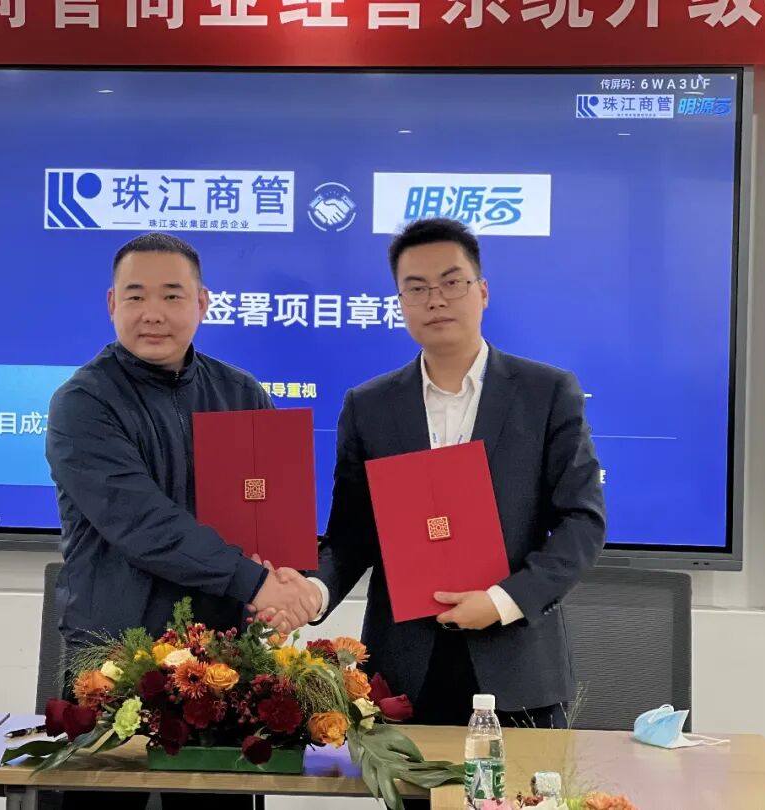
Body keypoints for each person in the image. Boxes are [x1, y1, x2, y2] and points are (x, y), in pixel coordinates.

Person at [269, 217, 605, 733]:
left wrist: (502, 601)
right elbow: (353, 535)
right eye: (417, 288)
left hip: (517, 666)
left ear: (482, 291)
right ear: (400, 302)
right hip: (405, 672)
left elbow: (582, 522)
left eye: (452, 282)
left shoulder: (546, 393)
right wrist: (313, 593)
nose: (436, 300)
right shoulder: (369, 406)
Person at [44, 232, 320, 810]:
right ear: (111, 303)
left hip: (219, 667)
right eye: (136, 295)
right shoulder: (84, 403)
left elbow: (271, 515)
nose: (153, 313)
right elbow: (145, 525)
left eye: (172, 296)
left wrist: (287, 581)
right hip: (116, 662)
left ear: (202, 303)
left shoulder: (240, 393)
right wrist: (259, 584)